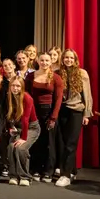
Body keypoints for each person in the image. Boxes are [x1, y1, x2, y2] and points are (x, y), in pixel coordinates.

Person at [56, 49, 93, 187]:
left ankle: (65, 175)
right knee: (63, 143)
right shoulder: (59, 73)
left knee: (71, 143)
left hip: (77, 111)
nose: (68, 60)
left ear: (75, 59)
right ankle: (72, 171)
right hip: (63, 111)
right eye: (66, 57)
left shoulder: (82, 73)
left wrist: (87, 114)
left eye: (71, 58)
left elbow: (87, 94)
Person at [26, 52, 63, 182]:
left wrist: (53, 117)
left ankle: (48, 170)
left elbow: (58, 99)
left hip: (49, 112)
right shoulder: (30, 76)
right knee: (36, 141)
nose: (44, 63)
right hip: (34, 111)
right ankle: (36, 169)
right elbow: (26, 95)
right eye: (42, 60)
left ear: (51, 62)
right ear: (38, 60)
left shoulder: (56, 78)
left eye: (47, 60)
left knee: (49, 143)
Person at [5, 75, 39, 186]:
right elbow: (7, 116)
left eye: (18, 86)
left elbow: (25, 119)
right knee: (11, 147)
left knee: (21, 148)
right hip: (18, 128)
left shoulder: (27, 98)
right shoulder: (9, 97)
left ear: (22, 87)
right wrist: (10, 127)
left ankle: (25, 176)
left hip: (31, 128)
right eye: (13, 86)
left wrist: (24, 138)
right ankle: (13, 175)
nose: (15, 88)